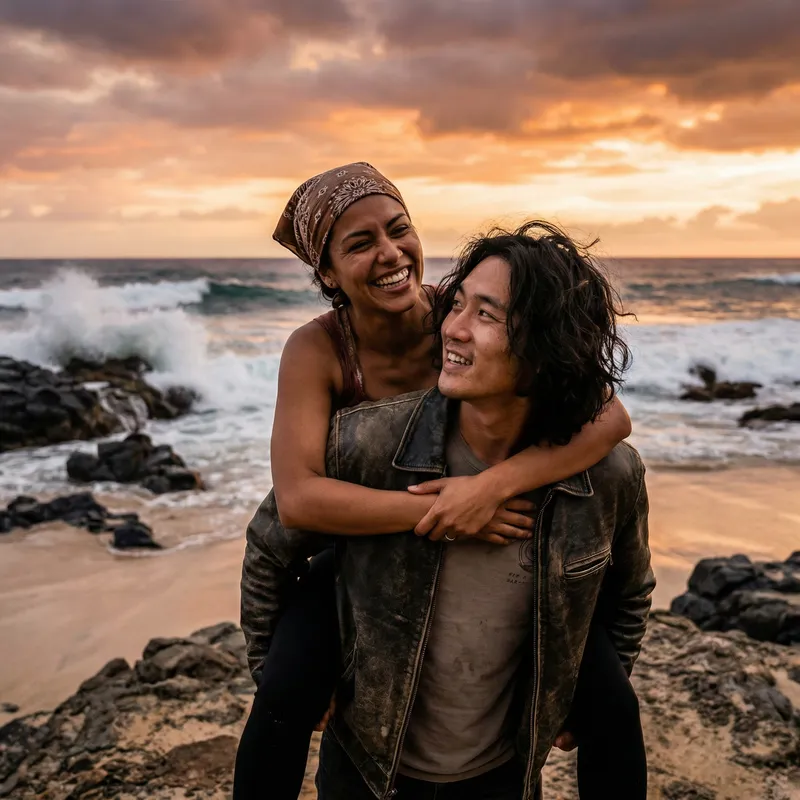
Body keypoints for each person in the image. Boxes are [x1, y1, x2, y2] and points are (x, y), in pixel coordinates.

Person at [235, 164, 646, 799]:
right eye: (360, 243)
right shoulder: (318, 350)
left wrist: (490, 487)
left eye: (399, 230)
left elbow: (610, 417)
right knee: (285, 696)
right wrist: (444, 511)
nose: (391, 254)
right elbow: (296, 500)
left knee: (613, 709)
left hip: (478, 536)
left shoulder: (452, 316)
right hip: (354, 555)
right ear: (326, 274)